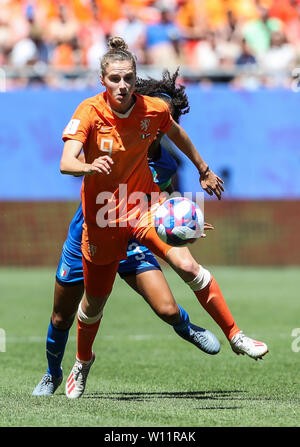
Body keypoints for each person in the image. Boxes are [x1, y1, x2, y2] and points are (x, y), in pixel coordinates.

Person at [61, 38, 269, 398]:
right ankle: (82, 363)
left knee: (191, 269)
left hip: (145, 208)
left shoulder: (153, 110)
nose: (122, 85)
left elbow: (176, 132)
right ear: (102, 80)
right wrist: (87, 164)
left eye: (128, 78)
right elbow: (66, 162)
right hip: (105, 217)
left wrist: (203, 170)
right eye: (114, 79)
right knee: (94, 303)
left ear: (135, 77)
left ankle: (236, 336)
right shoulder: (89, 112)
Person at [32, 69, 221, 397]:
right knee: (61, 316)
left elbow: (161, 203)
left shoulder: (168, 165)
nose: (159, 127)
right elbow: (71, 162)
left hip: (134, 236)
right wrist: (87, 165)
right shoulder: (113, 136)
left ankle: (187, 326)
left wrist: (184, 220)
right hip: (91, 236)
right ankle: (52, 374)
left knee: (167, 309)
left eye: (167, 122)